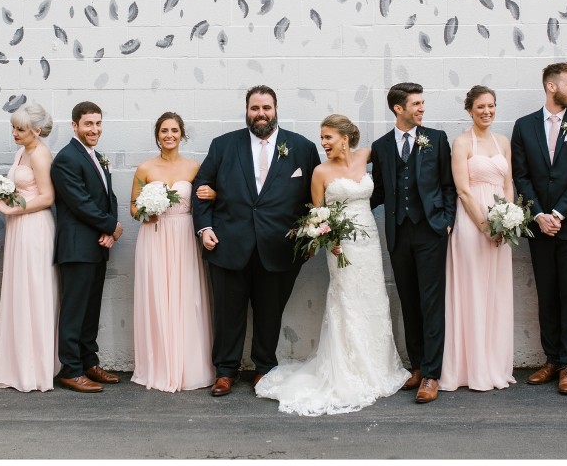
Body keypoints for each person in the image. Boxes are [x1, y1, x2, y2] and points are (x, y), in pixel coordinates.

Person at [256, 115, 410, 415]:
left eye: (328, 137)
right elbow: (317, 213)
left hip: (369, 241)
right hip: (341, 246)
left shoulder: (367, 155)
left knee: (373, 299)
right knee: (347, 302)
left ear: (345, 137)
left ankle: (377, 366)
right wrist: (328, 239)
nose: (323, 143)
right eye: (321, 137)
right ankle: (349, 368)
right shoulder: (320, 172)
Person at [193, 85, 320, 397]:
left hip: (279, 249)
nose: (260, 114)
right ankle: (225, 370)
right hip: (228, 245)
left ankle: (264, 368)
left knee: (269, 313)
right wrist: (204, 228)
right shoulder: (223, 145)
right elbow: (201, 187)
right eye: (255, 108)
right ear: (247, 111)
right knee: (228, 312)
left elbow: (315, 198)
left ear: (276, 109)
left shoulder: (301, 147)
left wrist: (309, 239)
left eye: (266, 108)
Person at [510, 62, 567, 395]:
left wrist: (558, 213)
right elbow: (522, 175)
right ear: (552, 86)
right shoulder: (524, 126)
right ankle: (551, 359)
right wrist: (538, 215)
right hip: (539, 226)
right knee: (546, 294)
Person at [370, 82, 456, 404]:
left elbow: (448, 185)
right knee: (409, 302)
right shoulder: (380, 147)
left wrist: (446, 221)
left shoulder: (436, 139)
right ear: (398, 108)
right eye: (416, 104)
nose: (422, 108)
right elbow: (378, 191)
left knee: (431, 303)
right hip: (398, 233)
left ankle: (432, 375)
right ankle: (418, 366)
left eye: (422, 103)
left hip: (431, 231)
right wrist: (343, 208)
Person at [130, 112, 216, 393]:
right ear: (158, 135)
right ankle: (159, 365)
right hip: (153, 237)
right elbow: (132, 207)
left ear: (182, 134)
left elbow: (209, 196)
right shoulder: (144, 168)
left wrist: (213, 195)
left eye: (175, 130)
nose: (169, 135)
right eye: (164, 130)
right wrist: (145, 212)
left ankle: (189, 366)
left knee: (185, 296)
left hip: (183, 237)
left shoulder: (193, 167)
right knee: (157, 296)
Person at [438, 86, 515, 392]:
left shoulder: (503, 142)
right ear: (469, 109)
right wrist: (485, 226)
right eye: (481, 106)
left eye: (492, 106)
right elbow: (463, 190)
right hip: (472, 224)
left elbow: (509, 183)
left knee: (495, 293)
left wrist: (508, 219)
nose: (487, 111)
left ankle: (494, 365)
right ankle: (470, 368)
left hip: (502, 224)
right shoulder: (461, 143)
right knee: (472, 291)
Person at [50, 101, 123, 393]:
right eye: (88, 124)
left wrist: (111, 230)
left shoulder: (97, 156)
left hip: (97, 244)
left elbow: (109, 198)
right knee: (74, 310)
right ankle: (71, 369)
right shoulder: (66, 158)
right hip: (77, 246)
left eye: (98, 123)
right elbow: (79, 202)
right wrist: (109, 226)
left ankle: (88, 361)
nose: (94, 129)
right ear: (75, 126)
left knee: (91, 309)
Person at [0, 102, 60, 392]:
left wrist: (10, 210)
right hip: (20, 229)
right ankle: (18, 364)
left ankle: (35, 368)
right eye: (14, 128)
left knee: (33, 291)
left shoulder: (41, 155)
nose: (15, 133)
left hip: (34, 229)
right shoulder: (23, 152)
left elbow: (47, 197)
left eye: (20, 129)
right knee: (19, 292)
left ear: (37, 131)